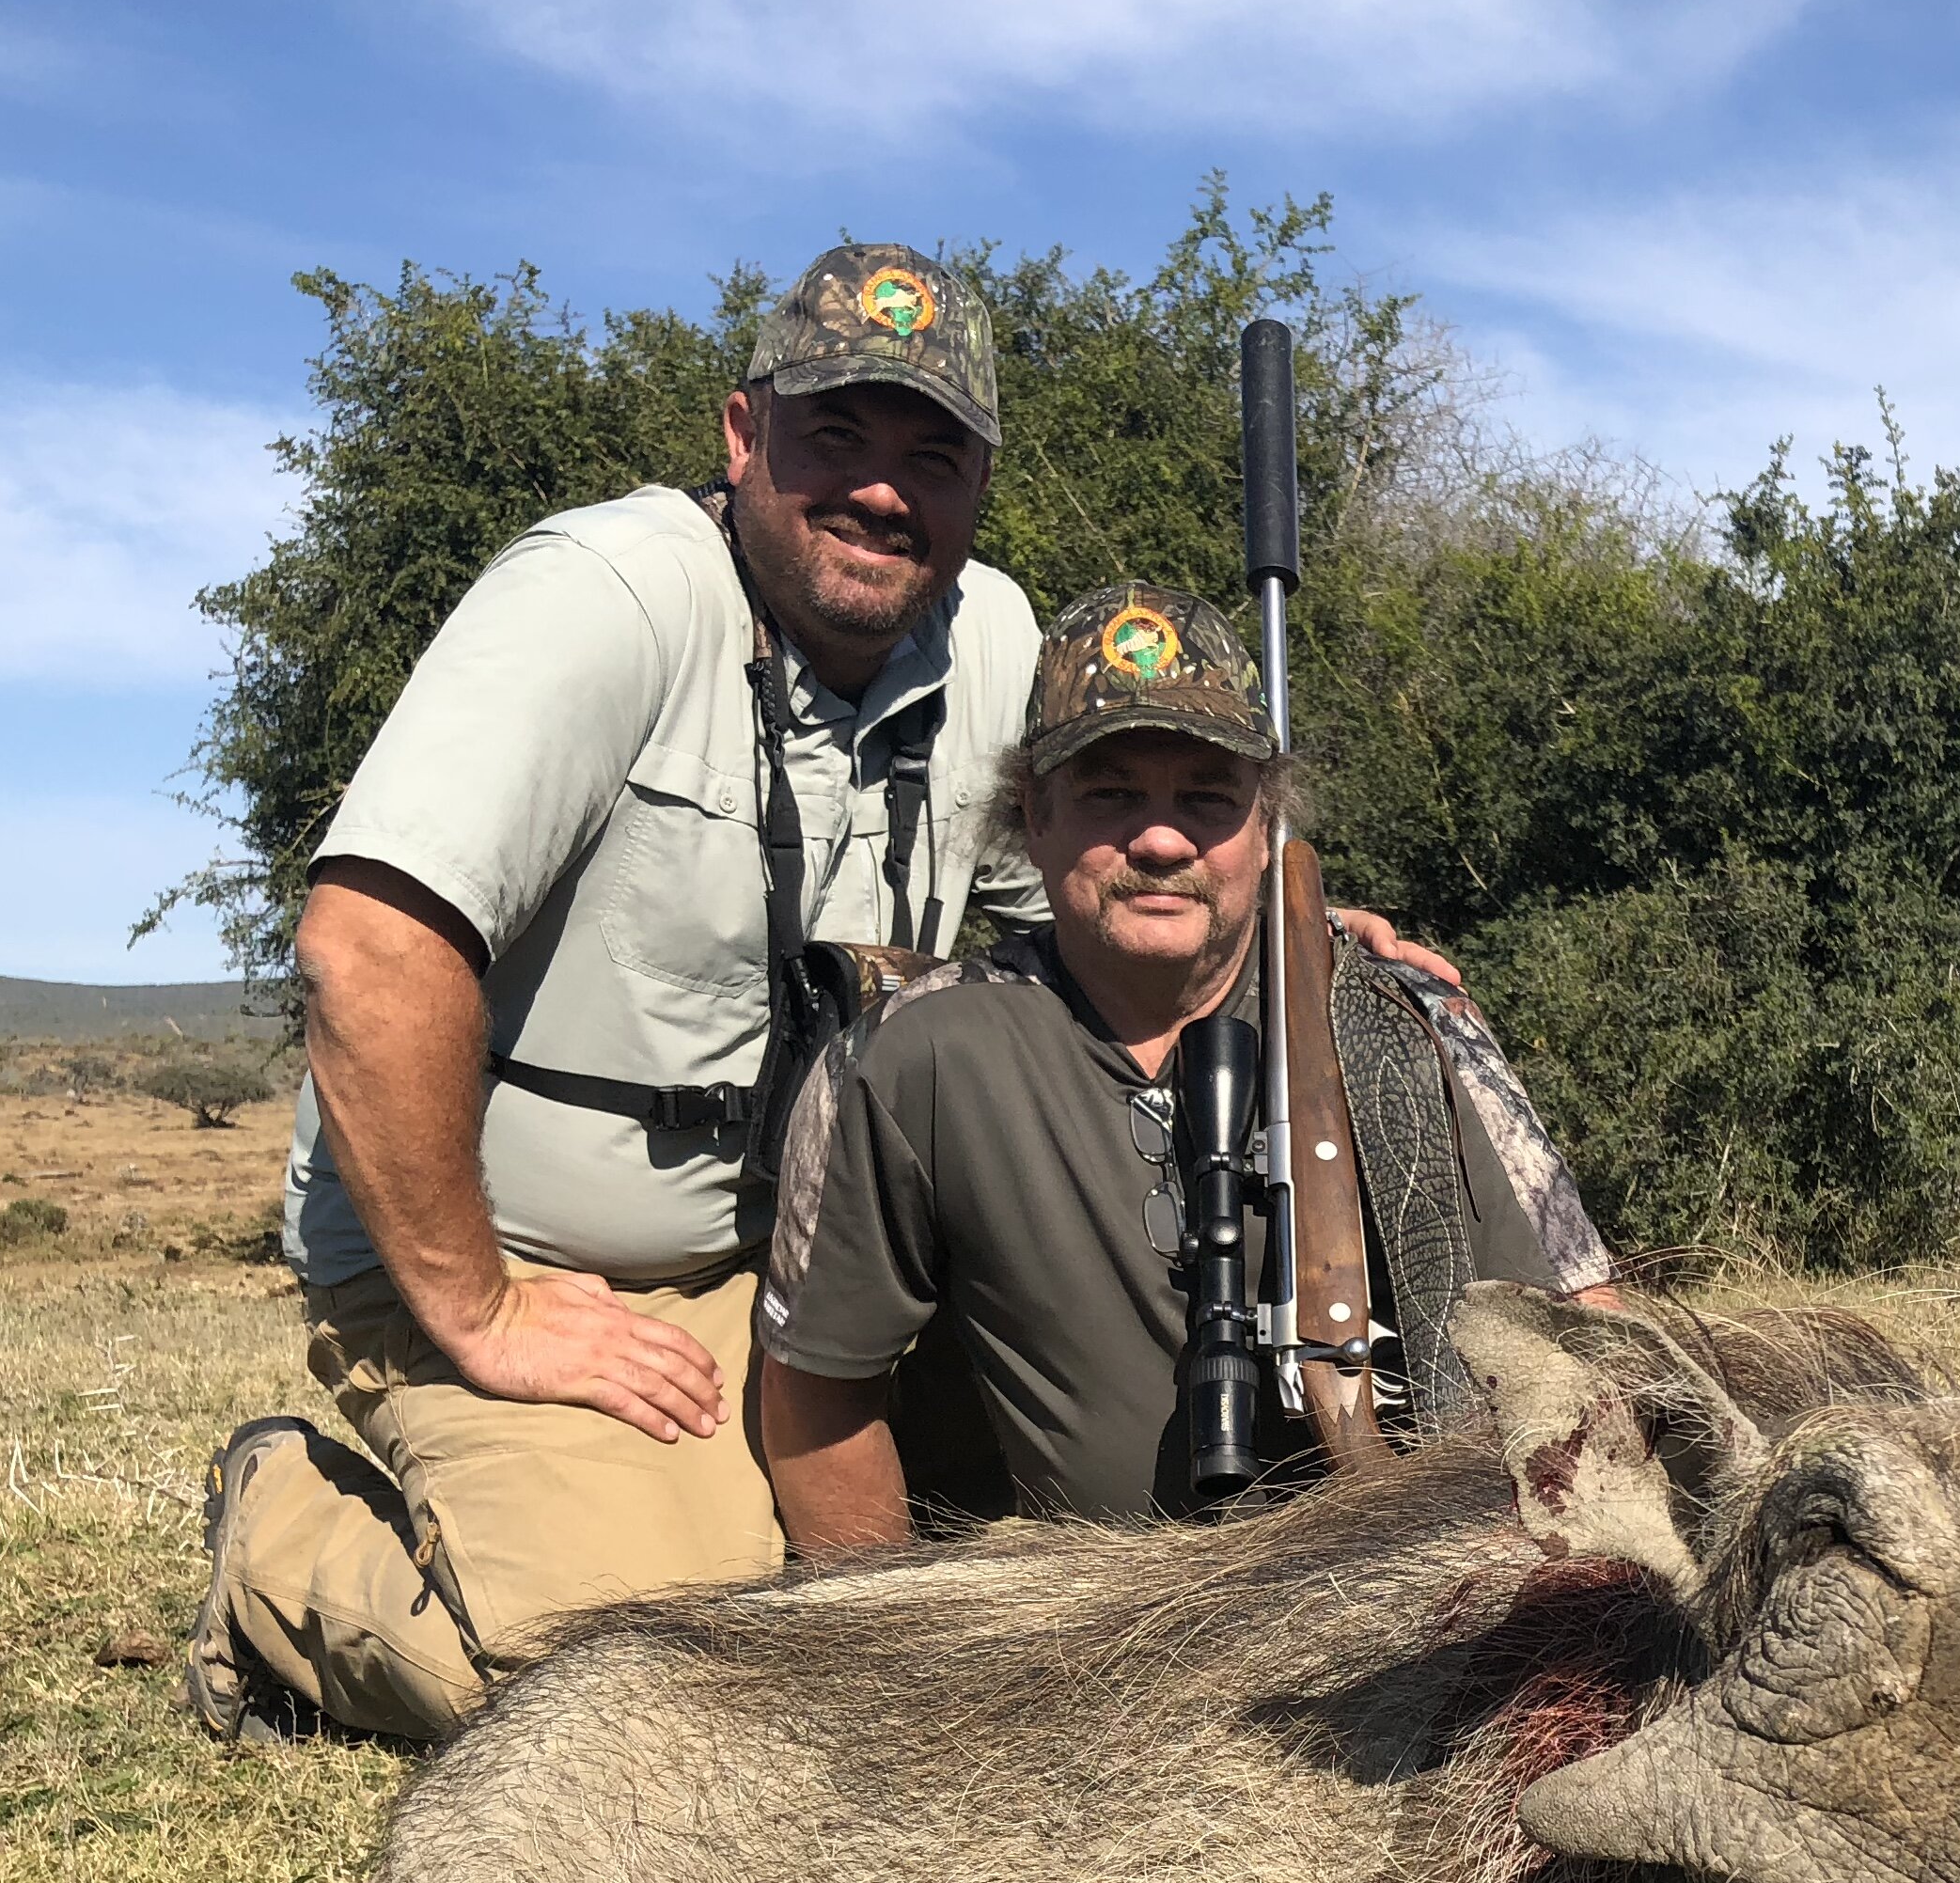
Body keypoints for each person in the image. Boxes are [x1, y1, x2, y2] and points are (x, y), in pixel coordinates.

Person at [179, 241, 1459, 1743]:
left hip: (823, 1281)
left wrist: (1273, 928)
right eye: (836, 434)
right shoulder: (607, 597)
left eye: (934, 451)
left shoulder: (990, 634)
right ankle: (282, 1533)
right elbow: (367, 951)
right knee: (622, 1690)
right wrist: (485, 1309)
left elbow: (1083, 927)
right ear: (741, 435)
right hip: (558, 1273)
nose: (883, 488)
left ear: (981, 481)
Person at [757, 582, 1613, 1539]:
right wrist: (905, 1659)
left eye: (1206, 798)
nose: (1161, 839)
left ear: (1265, 825)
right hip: (1067, 1645)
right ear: (1033, 815)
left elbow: (1587, 1335)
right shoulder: (910, 1057)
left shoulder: (1402, 1020)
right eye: (1110, 793)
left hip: (1401, 1614)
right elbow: (816, 1396)